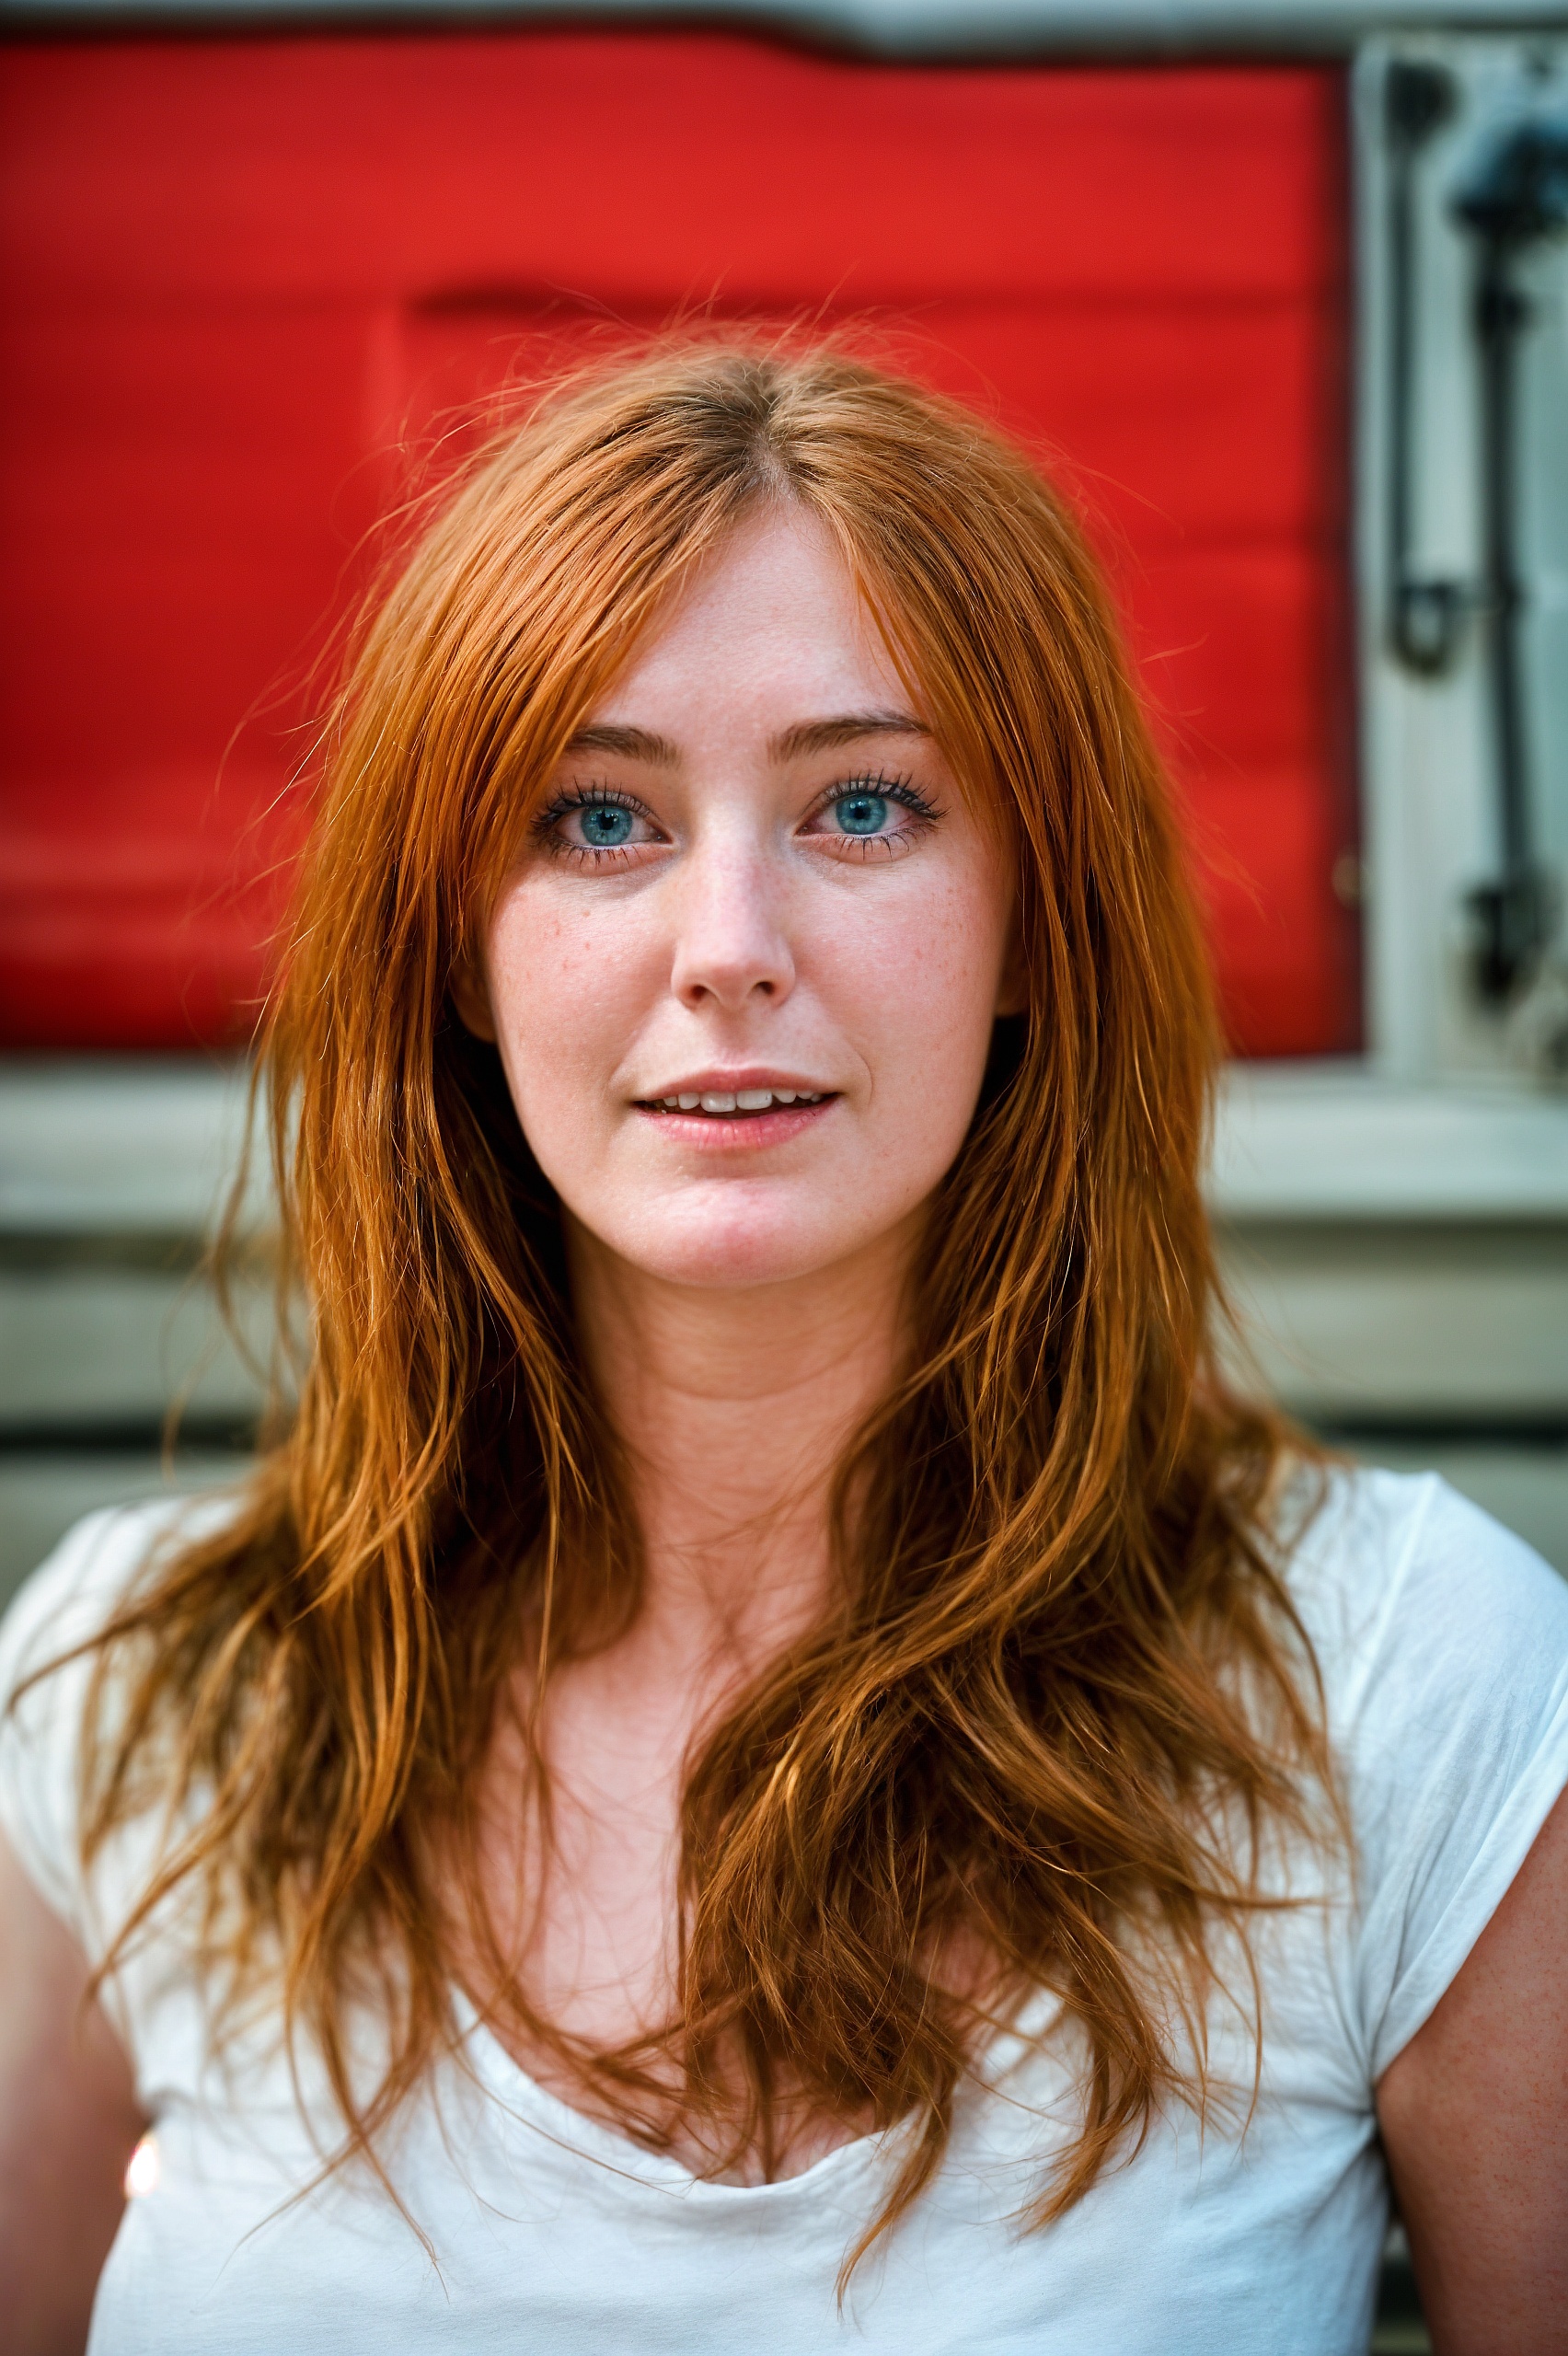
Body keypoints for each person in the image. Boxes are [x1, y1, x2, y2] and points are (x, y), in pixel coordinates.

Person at [1, 343, 1564, 2356]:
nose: (729, 938)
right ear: (454, 951)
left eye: (863, 803)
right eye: (595, 816)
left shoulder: (1412, 1691)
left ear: (1034, 928)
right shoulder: (133, 1705)